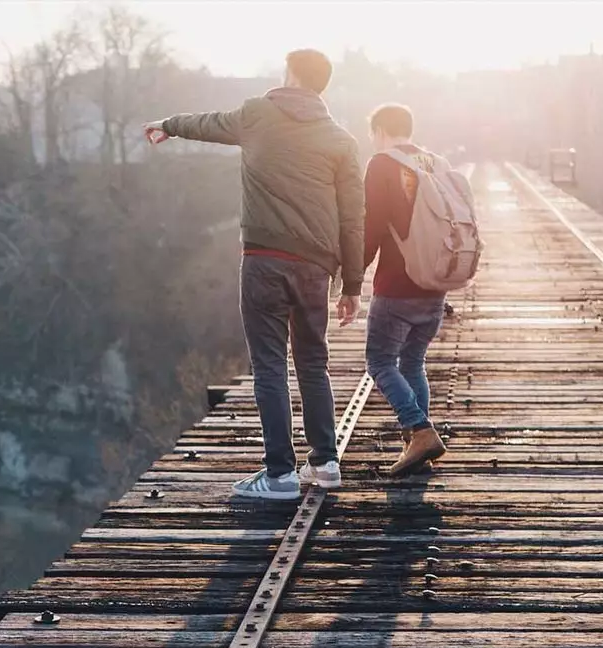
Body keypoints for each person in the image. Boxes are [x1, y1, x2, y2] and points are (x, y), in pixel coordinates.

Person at [145, 49, 364, 501]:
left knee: (269, 365)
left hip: (265, 259)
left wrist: (168, 124)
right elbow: (352, 217)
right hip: (316, 266)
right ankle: (325, 463)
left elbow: (207, 123)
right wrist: (354, 285)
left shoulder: (257, 115)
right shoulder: (340, 140)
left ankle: (280, 474)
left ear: (289, 74)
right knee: (313, 362)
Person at [363, 103, 449, 475]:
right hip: (435, 284)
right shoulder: (434, 163)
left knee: (380, 361)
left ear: (380, 130)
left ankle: (419, 428)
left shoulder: (381, 164)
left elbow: (372, 227)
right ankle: (419, 446)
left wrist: (352, 279)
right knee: (413, 362)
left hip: (397, 285)